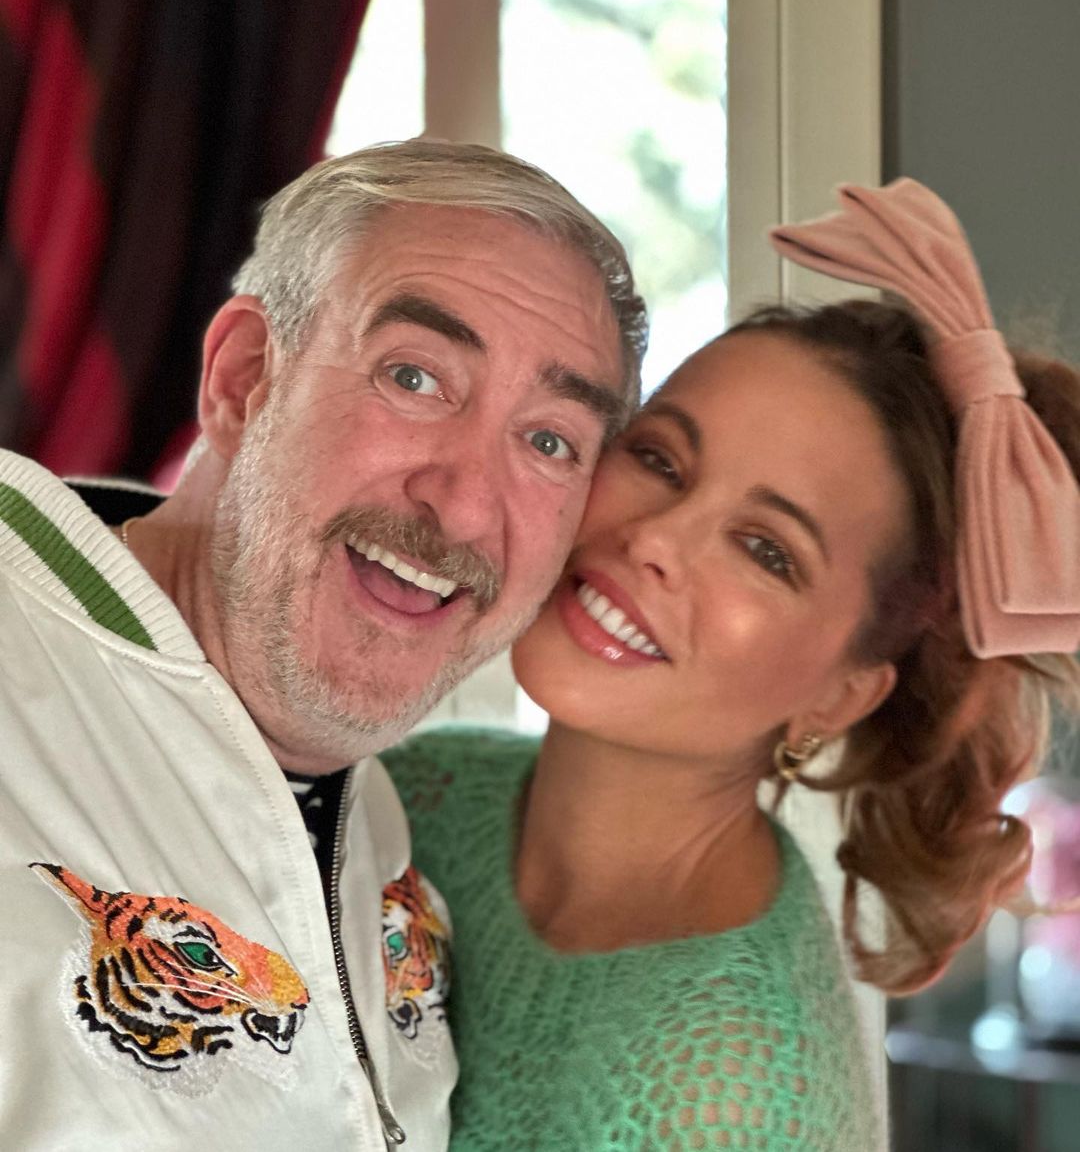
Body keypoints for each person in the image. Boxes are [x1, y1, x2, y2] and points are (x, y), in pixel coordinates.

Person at [385, 179, 1080, 1151]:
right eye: (661, 459)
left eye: (766, 550)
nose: (657, 538)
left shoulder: (726, 1089)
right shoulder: (422, 789)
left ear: (841, 692)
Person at [0, 139, 646, 1150]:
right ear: (244, 377)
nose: (465, 506)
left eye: (550, 440)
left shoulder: (385, 820)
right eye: (415, 377)